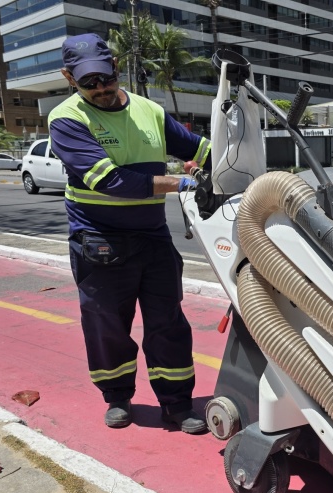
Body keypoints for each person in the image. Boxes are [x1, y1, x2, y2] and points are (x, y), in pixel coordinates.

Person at [48, 33, 211, 434]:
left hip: (152, 237)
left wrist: (231, 162)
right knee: (106, 323)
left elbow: (196, 147)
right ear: (69, 78)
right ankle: (118, 396)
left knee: (168, 321)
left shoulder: (149, 111)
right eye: (88, 83)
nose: (100, 89)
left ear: (116, 67)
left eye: (105, 78)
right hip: (99, 237)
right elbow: (111, 181)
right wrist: (183, 184)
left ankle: (176, 402)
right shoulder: (67, 119)